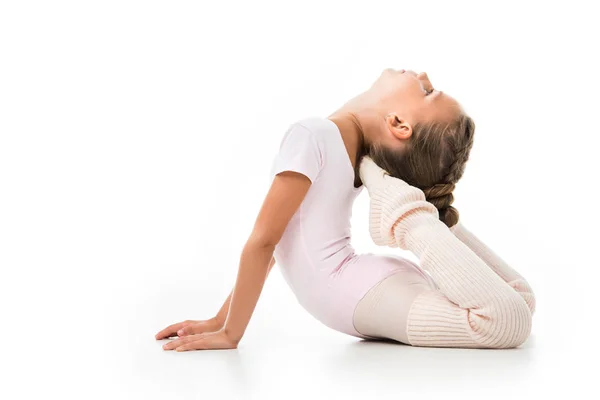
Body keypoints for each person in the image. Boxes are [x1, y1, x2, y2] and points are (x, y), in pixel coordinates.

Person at [155, 68, 536, 351]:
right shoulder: (346, 146)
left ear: (399, 123)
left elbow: (264, 241)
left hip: (359, 288)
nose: (421, 74)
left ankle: (411, 216)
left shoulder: (313, 134)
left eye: (427, 91)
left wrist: (230, 334)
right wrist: (221, 319)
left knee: (514, 308)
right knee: (511, 308)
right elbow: (279, 242)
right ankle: (420, 217)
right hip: (361, 288)